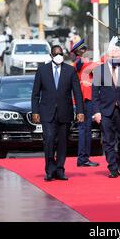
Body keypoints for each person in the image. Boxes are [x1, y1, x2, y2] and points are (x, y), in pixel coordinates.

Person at [31, 45, 84, 181]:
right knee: (49, 140)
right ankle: (50, 169)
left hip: (64, 112)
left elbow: (77, 93)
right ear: (51, 56)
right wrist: (35, 111)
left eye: (60, 54)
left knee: (62, 143)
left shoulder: (70, 71)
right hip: (47, 112)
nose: (59, 56)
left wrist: (80, 111)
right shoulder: (42, 71)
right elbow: (35, 94)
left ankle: (60, 169)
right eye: (56, 54)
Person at [92, 37, 120, 178]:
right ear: (107, 56)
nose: (115, 58)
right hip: (105, 111)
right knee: (108, 140)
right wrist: (96, 112)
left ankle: (119, 159)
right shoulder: (99, 70)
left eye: (117, 55)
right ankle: (112, 167)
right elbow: (95, 94)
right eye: (112, 56)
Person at [71, 38, 100, 167]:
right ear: (80, 51)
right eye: (84, 49)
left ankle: (84, 157)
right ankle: (83, 158)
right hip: (84, 100)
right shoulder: (81, 63)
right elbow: (99, 64)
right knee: (85, 129)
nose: (87, 51)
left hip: (84, 99)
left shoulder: (81, 63)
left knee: (85, 129)